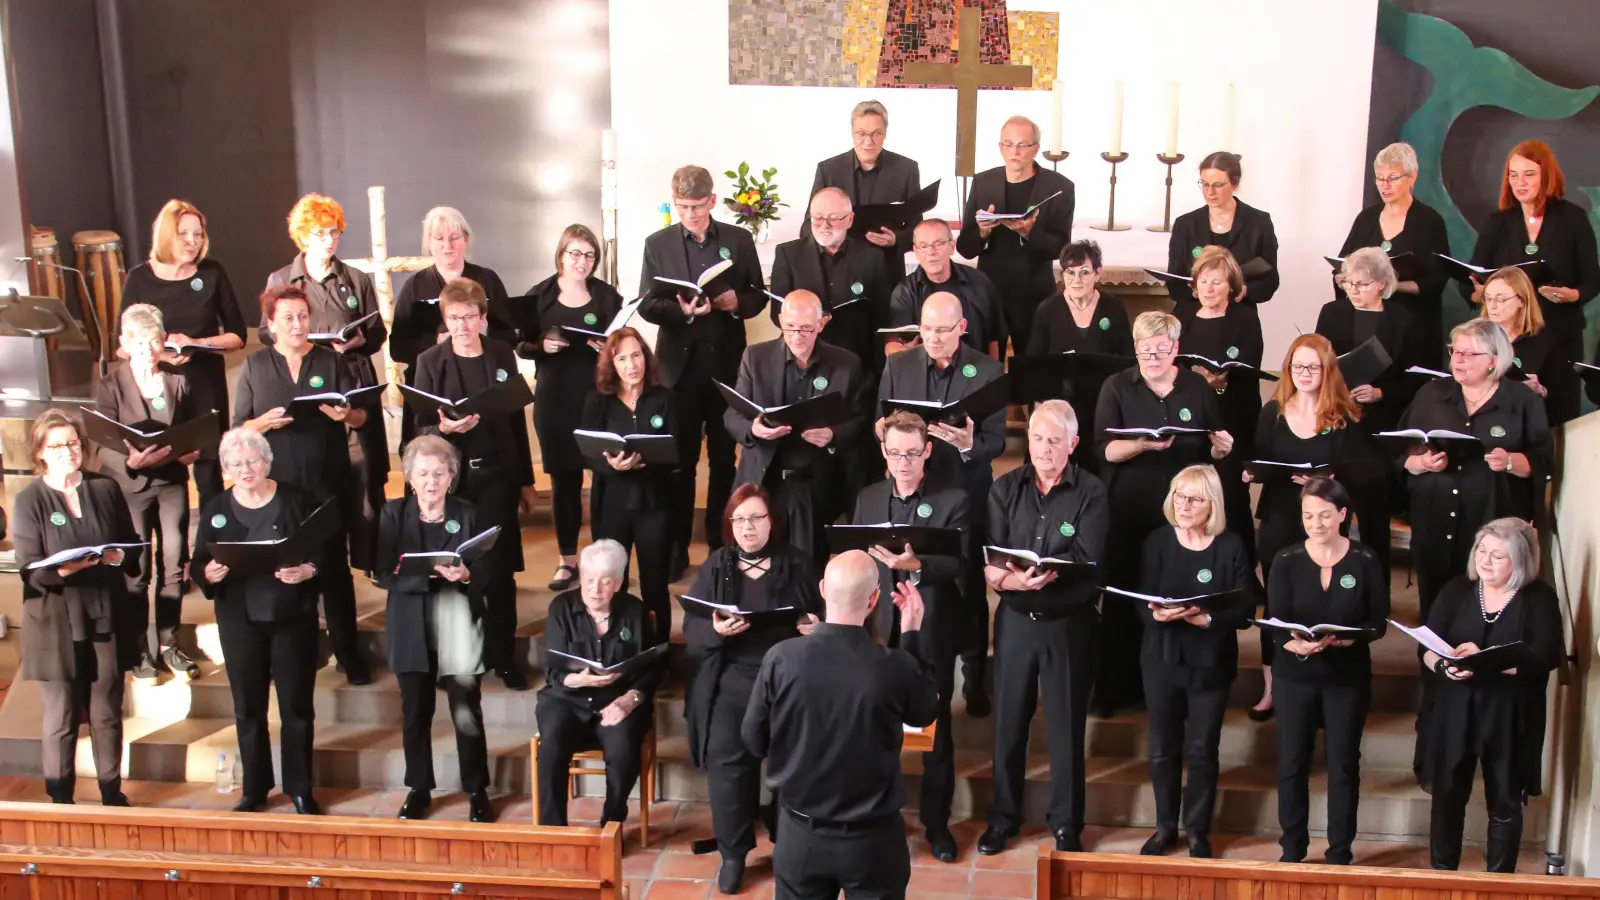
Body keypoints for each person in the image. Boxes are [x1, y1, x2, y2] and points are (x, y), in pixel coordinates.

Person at [742, 550, 937, 900]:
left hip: (800, 834)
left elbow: (753, 740)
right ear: (875, 598)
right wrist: (911, 637)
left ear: (822, 589)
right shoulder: (895, 666)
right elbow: (923, 715)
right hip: (872, 841)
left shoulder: (782, 658)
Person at [977, 400, 1109, 856]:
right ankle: (1003, 819)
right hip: (1015, 622)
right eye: (1037, 438)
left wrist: (1036, 575)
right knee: (1008, 724)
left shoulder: (1091, 491)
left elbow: (1088, 557)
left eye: (1055, 441)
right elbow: (992, 555)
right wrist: (1013, 579)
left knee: (1066, 728)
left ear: (1072, 444)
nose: (1044, 449)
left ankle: (1066, 822)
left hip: (1068, 624)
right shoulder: (1004, 487)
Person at [682, 485, 823, 894]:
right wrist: (714, 628)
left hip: (787, 680)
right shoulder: (716, 565)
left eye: (756, 518)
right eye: (740, 519)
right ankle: (733, 854)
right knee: (728, 765)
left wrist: (816, 628)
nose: (748, 527)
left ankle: (788, 846)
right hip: (734, 677)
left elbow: (825, 613)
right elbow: (692, 626)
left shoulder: (796, 563)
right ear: (730, 524)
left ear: (771, 522)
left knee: (790, 766)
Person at [1093, 311, 1233, 718]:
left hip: (1182, 519)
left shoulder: (1195, 389)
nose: (1151, 357)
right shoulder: (1116, 386)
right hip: (1130, 511)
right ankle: (1114, 690)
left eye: (1160, 349)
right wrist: (1140, 445)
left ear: (1176, 348)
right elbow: (1103, 450)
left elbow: (1211, 448)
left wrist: (1222, 450)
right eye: (1143, 349)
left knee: (1175, 600)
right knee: (1124, 602)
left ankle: (1172, 695)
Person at [877, 291, 1006, 716]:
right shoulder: (898, 365)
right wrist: (886, 433)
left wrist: (970, 445)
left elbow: (997, 440)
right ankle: (906, 663)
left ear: (962, 329)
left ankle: (972, 676)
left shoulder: (986, 370)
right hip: (915, 491)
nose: (933, 338)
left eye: (942, 330)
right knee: (914, 577)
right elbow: (880, 421)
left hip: (965, 491)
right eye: (926, 329)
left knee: (966, 586)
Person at [234, 284, 369, 685]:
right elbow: (239, 426)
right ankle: (300, 654)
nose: (297, 325)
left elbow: (361, 417)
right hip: (277, 487)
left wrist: (345, 415)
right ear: (271, 324)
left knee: (333, 570)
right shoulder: (256, 367)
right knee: (287, 570)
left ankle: (348, 652)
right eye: (288, 318)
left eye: (303, 317)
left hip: (327, 480)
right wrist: (263, 424)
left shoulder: (330, 361)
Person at [850, 410, 969, 862]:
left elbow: (959, 566)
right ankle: (876, 817)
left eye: (913, 453)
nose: (904, 462)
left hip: (931, 629)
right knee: (873, 731)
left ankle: (937, 826)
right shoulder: (868, 498)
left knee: (935, 733)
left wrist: (917, 566)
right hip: (877, 631)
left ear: (928, 452)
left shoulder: (951, 500)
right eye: (896, 452)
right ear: (884, 452)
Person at [637, 165, 766, 577]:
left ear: (712, 201)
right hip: (678, 370)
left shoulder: (738, 239)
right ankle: (676, 549)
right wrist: (681, 311)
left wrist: (734, 303)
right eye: (682, 207)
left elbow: (758, 297)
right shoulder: (657, 243)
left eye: (697, 206)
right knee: (680, 461)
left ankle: (719, 544)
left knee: (725, 461)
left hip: (725, 367)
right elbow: (646, 304)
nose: (690, 215)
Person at [410, 277, 535, 691]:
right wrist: (443, 427)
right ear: (444, 320)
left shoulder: (501, 354)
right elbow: (419, 426)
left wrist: (525, 482)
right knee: (453, 572)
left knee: (499, 574)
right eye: (453, 318)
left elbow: (516, 420)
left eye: (468, 317)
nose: (461, 326)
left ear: (482, 318)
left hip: (497, 476)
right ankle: (459, 659)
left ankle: (504, 659)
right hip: (453, 485)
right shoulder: (430, 361)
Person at [191, 428, 323, 814]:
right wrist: (208, 574)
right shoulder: (216, 508)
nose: (245, 470)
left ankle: (300, 787)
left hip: (291, 616)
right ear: (226, 469)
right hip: (239, 619)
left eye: (251, 461)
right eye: (235, 464)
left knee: (296, 707)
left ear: (267, 462)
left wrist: (309, 571)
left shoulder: (296, 499)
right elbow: (199, 560)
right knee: (248, 708)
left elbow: (326, 550)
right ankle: (255, 788)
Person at [1418, 518, 1562, 872]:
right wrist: (1443, 665)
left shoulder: (1539, 597)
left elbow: (1545, 657)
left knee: (1504, 802)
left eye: (1498, 556)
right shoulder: (1456, 590)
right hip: (1454, 707)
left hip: (1508, 711)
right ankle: (1443, 880)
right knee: (1448, 798)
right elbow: (1426, 646)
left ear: (1521, 560)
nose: (1485, 560)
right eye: (1482, 550)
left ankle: (1500, 881)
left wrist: (1485, 662)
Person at [13, 410, 139, 807]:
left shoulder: (105, 488)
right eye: (57, 446)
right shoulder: (29, 499)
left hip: (105, 611)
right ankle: (61, 799)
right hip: (55, 619)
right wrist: (67, 568)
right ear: (40, 453)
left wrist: (117, 557)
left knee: (107, 710)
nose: (67, 452)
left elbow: (130, 549)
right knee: (62, 717)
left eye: (72, 443)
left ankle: (110, 790)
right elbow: (30, 571)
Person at [264, 193, 390, 581]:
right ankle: (318, 559)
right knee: (317, 472)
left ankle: (371, 560)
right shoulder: (283, 280)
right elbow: (266, 333)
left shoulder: (355, 278)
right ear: (303, 236)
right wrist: (305, 342)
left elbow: (377, 334)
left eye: (334, 232)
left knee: (366, 472)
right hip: (305, 384)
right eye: (319, 233)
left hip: (351, 382)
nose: (328, 240)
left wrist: (354, 342)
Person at [1266, 477, 1389, 865]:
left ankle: (1339, 850)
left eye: (1323, 515)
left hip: (1345, 676)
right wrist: (1294, 642)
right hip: (1294, 674)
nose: (1315, 524)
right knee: (1292, 762)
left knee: (1342, 764)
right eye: (1307, 516)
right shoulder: (1286, 560)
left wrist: (1352, 639)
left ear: (1342, 515)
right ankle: (1293, 847)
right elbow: (1275, 622)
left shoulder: (1365, 559)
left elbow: (1378, 622)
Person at [1245, 335, 1366, 721]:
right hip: (1281, 514)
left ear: (1327, 369)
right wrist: (1252, 472)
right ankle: (1272, 688)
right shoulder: (1274, 411)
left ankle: (1320, 687)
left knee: (1325, 600)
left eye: (1313, 367)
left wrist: (1331, 477)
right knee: (1279, 602)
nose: (1305, 374)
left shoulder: (1343, 415)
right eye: (1298, 367)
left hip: (1327, 522)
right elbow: (1257, 459)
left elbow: (1362, 472)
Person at [375, 435, 493, 823]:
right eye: (423, 474)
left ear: (451, 476)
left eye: (439, 473)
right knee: (415, 713)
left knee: (466, 713)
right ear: (409, 477)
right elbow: (383, 571)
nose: (431, 481)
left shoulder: (469, 514)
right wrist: (426, 574)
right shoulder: (393, 514)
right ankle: (419, 789)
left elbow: (487, 573)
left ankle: (476, 790)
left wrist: (464, 575)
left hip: (457, 622)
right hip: (410, 624)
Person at [1398, 318, 1550, 619]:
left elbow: (1543, 461)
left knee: (1489, 607)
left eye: (1469, 354)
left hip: (1492, 518)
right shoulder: (1431, 395)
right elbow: (1402, 451)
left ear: (1494, 359)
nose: (1459, 359)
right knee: (1435, 607)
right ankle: (1434, 665)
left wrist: (1509, 461)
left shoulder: (1521, 399)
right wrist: (1420, 463)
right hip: (1435, 516)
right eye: (1455, 351)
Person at [1136, 465, 1251, 858]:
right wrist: (1154, 614)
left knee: (1202, 749)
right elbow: (1140, 600)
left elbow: (1245, 606)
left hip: (1209, 660)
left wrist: (1209, 619)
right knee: (1163, 748)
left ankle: (1198, 830)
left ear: (1212, 505)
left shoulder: (1231, 546)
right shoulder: (1157, 542)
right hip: (1162, 657)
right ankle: (1165, 827)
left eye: (1195, 499)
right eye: (1179, 496)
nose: (1184, 506)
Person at [95, 304, 204, 682]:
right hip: (131, 488)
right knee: (136, 570)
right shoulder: (110, 385)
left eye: (154, 341)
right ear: (125, 344)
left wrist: (193, 450)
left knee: (174, 564)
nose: (148, 350)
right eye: (140, 343)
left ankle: (169, 643)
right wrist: (131, 463)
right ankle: (138, 649)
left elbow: (193, 430)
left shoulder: (178, 380)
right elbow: (101, 444)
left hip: (171, 482)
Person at [118, 199, 246, 508]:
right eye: (184, 234)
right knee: (163, 469)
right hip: (157, 385)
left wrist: (199, 342)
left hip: (203, 381)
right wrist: (161, 355)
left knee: (209, 468)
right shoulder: (139, 278)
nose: (193, 241)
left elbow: (238, 336)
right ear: (166, 235)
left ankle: (213, 542)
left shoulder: (212, 273)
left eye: (198, 234)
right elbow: (121, 346)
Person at [726, 290, 867, 564]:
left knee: (808, 564)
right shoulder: (756, 357)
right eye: (790, 327)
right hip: (764, 476)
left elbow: (860, 420)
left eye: (805, 328)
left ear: (821, 324)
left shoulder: (847, 364)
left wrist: (833, 435)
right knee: (758, 560)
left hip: (813, 482)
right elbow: (732, 417)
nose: (797, 336)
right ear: (780, 321)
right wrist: (753, 430)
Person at [521, 224, 624, 591]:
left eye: (589, 255)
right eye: (575, 254)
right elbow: (522, 344)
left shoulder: (607, 296)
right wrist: (541, 348)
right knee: (565, 482)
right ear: (561, 255)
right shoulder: (541, 295)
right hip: (555, 399)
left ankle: (603, 558)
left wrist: (607, 349)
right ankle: (566, 561)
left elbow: (624, 343)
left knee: (603, 480)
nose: (582, 261)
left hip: (598, 400)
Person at [1469, 139, 1599, 425]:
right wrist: (1481, 293)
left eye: (1529, 174)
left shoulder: (1572, 218)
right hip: (1508, 339)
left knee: (1559, 415)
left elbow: (1593, 279)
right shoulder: (1498, 222)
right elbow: (1472, 279)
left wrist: (1573, 295)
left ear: (1546, 176)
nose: (1520, 182)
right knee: (1507, 418)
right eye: (1513, 175)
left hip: (1560, 334)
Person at [535, 539, 663, 827]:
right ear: (580, 577)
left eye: (605, 582)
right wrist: (576, 680)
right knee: (551, 747)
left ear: (618, 583)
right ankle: (552, 830)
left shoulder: (634, 611)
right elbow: (553, 671)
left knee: (623, 749)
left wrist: (630, 699)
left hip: (616, 700)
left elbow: (652, 668)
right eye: (589, 580)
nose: (595, 589)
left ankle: (612, 822)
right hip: (567, 699)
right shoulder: (561, 608)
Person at [579, 327, 677, 632]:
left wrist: (645, 461)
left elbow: (680, 454)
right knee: (610, 582)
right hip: (611, 503)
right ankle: (614, 651)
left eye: (636, 355)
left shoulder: (666, 398)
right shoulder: (597, 401)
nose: (631, 365)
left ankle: (658, 652)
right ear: (612, 364)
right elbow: (587, 452)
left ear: (646, 359)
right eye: (622, 358)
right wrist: (613, 466)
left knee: (655, 582)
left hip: (655, 503)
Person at [391, 206, 515, 445]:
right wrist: (435, 343)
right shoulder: (415, 286)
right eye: (439, 239)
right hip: (432, 386)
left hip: (483, 381)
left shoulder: (487, 280)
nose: (447, 246)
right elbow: (397, 347)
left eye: (454, 238)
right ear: (429, 242)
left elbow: (508, 336)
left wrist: (480, 333)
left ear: (466, 240)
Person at [956, 115, 1075, 354]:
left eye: (1023, 145)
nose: (1015, 152)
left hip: (1033, 293)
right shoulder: (983, 182)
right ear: (1000, 147)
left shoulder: (1059, 187)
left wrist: (1032, 232)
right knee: (987, 368)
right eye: (1008, 144)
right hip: (990, 291)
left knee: (1032, 372)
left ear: (1036, 149)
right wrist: (981, 231)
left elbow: (1062, 250)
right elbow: (965, 248)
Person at [1174, 247, 1263, 561]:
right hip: (1190, 417)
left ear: (1231, 287)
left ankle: (1244, 572)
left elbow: (1251, 368)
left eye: (1216, 282)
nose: (1208, 289)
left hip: (1232, 417)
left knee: (1231, 497)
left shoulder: (1245, 318)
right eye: (1203, 281)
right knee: (1190, 495)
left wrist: (1221, 383)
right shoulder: (1182, 314)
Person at [1023, 240, 1133, 475]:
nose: (1076, 280)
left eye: (1084, 273)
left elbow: (1128, 360)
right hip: (1060, 405)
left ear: (1097, 273)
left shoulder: (1113, 308)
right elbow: (1033, 364)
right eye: (1070, 273)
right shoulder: (1048, 309)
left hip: (1102, 404)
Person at [1335, 143, 1450, 367]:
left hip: (1413, 325)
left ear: (1412, 177)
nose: (1384, 185)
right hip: (1366, 322)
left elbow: (1436, 280)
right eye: (1379, 178)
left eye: (1393, 178)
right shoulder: (1366, 218)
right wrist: (1344, 279)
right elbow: (1343, 263)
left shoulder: (1429, 221)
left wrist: (1392, 286)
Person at [771, 187, 891, 375]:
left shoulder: (871, 257)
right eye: (818, 218)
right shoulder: (788, 254)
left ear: (850, 220)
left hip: (856, 358)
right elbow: (777, 312)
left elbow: (882, 315)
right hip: (803, 359)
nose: (824, 225)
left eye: (833, 218)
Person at [805, 98, 920, 288]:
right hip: (839, 271)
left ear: (885, 134)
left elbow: (917, 228)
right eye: (861, 133)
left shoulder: (906, 169)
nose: (868, 141)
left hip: (886, 271)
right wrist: (829, 236)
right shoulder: (829, 170)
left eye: (876, 133)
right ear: (852, 132)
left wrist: (896, 240)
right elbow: (807, 225)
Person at [1316, 248, 1428, 438]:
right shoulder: (1332, 312)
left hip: (1384, 414)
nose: (1353, 290)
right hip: (1337, 408)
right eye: (1348, 283)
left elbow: (1415, 377)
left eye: (1362, 284)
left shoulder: (1403, 320)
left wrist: (1381, 393)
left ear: (1381, 285)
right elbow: (1318, 359)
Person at [1164, 152, 1279, 308]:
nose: (1210, 192)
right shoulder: (1185, 224)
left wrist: (1246, 291)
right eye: (1204, 184)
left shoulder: (1258, 223)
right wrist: (1196, 292)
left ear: (1234, 184)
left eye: (1218, 185)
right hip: (1193, 313)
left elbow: (1270, 280)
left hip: (1239, 314)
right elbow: (1174, 282)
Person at [885, 219, 1007, 357]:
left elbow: (994, 338)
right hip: (925, 373)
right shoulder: (904, 292)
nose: (931, 252)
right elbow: (892, 344)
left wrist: (993, 375)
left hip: (975, 370)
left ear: (952, 246)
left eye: (938, 244)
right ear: (916, 251)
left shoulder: (980, 282)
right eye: (923, 246)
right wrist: (902, 353)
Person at [1479, 265, 1573, 426]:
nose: (1492, 306)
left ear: (1522, 300)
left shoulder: (1545, 341)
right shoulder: (1475, 337)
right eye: (1488, 298)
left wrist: (1539, 391)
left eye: (1501, 299)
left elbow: (1562, 398)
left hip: (1524, 426)